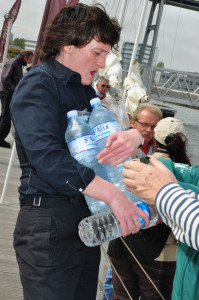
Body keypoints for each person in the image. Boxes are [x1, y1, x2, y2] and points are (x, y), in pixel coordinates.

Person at [10, 4, 149, 300]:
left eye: (106, 55)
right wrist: (114, 196)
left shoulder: (83, 91)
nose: (101, 63)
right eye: (97, 52)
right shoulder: (38, 85)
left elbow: (102, 151)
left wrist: (134, 135)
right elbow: (49, 160)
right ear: (67, 44)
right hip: (48, 223)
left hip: (84, 222)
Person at [108, 117, 186, 300]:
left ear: (155, 139)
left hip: (122, 246)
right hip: (160, 256)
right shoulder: (187, 172)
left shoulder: (132, 165)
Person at [122, 118, 199, 300]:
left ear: (155, 140)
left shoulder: (142, 165)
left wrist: (165, 193)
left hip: (127, 250)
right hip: (166, 261)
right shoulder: (190, 171)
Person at [102, 102, 162, 300]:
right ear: (132, 122)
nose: (148, 130)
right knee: (113, 283)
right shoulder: (118, 144)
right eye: (144, 124)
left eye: (154, 127)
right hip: (119, 221)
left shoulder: (159, 152)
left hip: (144, 228)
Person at [0, 49, 33, 148]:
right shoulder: (14, 63)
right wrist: (16, 89)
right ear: (25, 57)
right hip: (7, 92)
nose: (29, 62)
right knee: (6, 117)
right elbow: (5, 78)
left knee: (6, 116)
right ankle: (0, 138)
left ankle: (1, 137)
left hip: (9, 92)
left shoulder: (17, 63)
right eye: (29, 59)